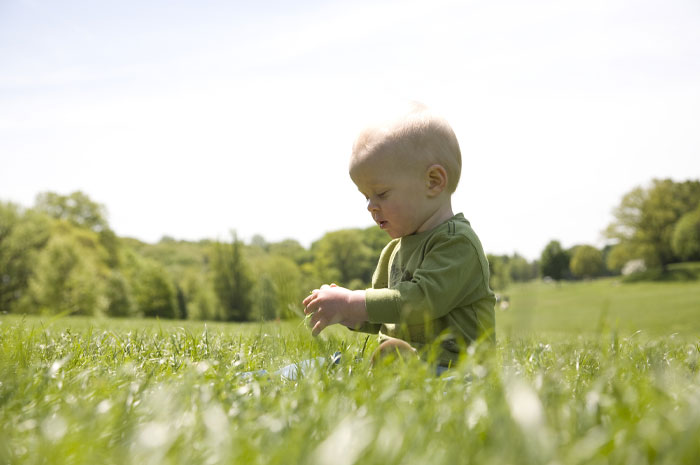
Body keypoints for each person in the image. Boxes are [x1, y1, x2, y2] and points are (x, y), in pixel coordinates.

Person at [302, 102, 495, 371]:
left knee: (384, 369)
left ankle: (393, 372)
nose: (371, 205)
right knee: (329, 366)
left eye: (381, 193)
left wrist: (352, 301)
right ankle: (269, 379)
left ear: (433, 182)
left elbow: (420, 301)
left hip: (457, 368)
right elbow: (382, 316)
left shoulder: (457, 243)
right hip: (406, 362)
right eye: (366, 196)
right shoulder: (394, 251)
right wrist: (344, 311)